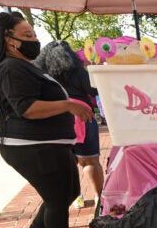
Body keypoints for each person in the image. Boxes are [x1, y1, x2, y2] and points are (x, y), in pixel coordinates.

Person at [0, 11, 94, 228]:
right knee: (58, 197)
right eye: (27, 35)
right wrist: (68, 105)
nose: (34, 40)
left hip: (49, 144)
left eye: (34, 34)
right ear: (9, 40)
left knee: (67, 192)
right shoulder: (11, 67)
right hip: (31, 146)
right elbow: (26, 108)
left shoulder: (25, 66)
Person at [34, 40, 104, 209]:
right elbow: (94, 90)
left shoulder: (41, 74)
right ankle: (99, 198)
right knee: (90, 161)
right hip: (83, 115)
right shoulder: (77, 70)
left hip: (56, 118)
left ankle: (75, 198)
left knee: (66, 163)